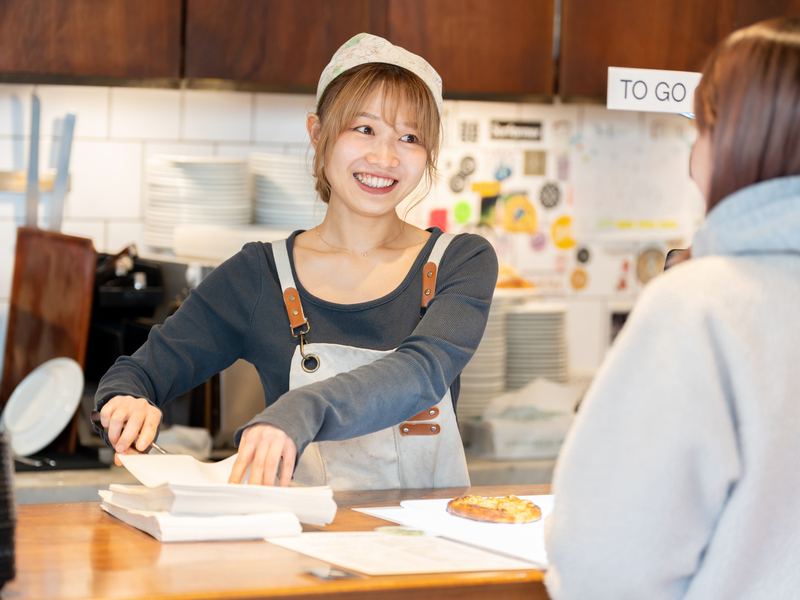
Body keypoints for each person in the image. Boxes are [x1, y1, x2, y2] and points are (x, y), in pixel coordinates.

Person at [95, 33, 498, 489]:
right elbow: (141, 371)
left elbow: (422, 370)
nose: (384, 157)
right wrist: (124, 400)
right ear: (318, 132)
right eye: (364, 129)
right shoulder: (258, 276)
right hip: (298, 546)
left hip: (423, 547)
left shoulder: (460, 262)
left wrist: (301, 408)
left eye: (410, 137)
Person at [545, 17, 800, 600]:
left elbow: (608, 562)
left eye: (700, 132)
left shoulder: (702, 305)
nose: (691, 159)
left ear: (736, 139)